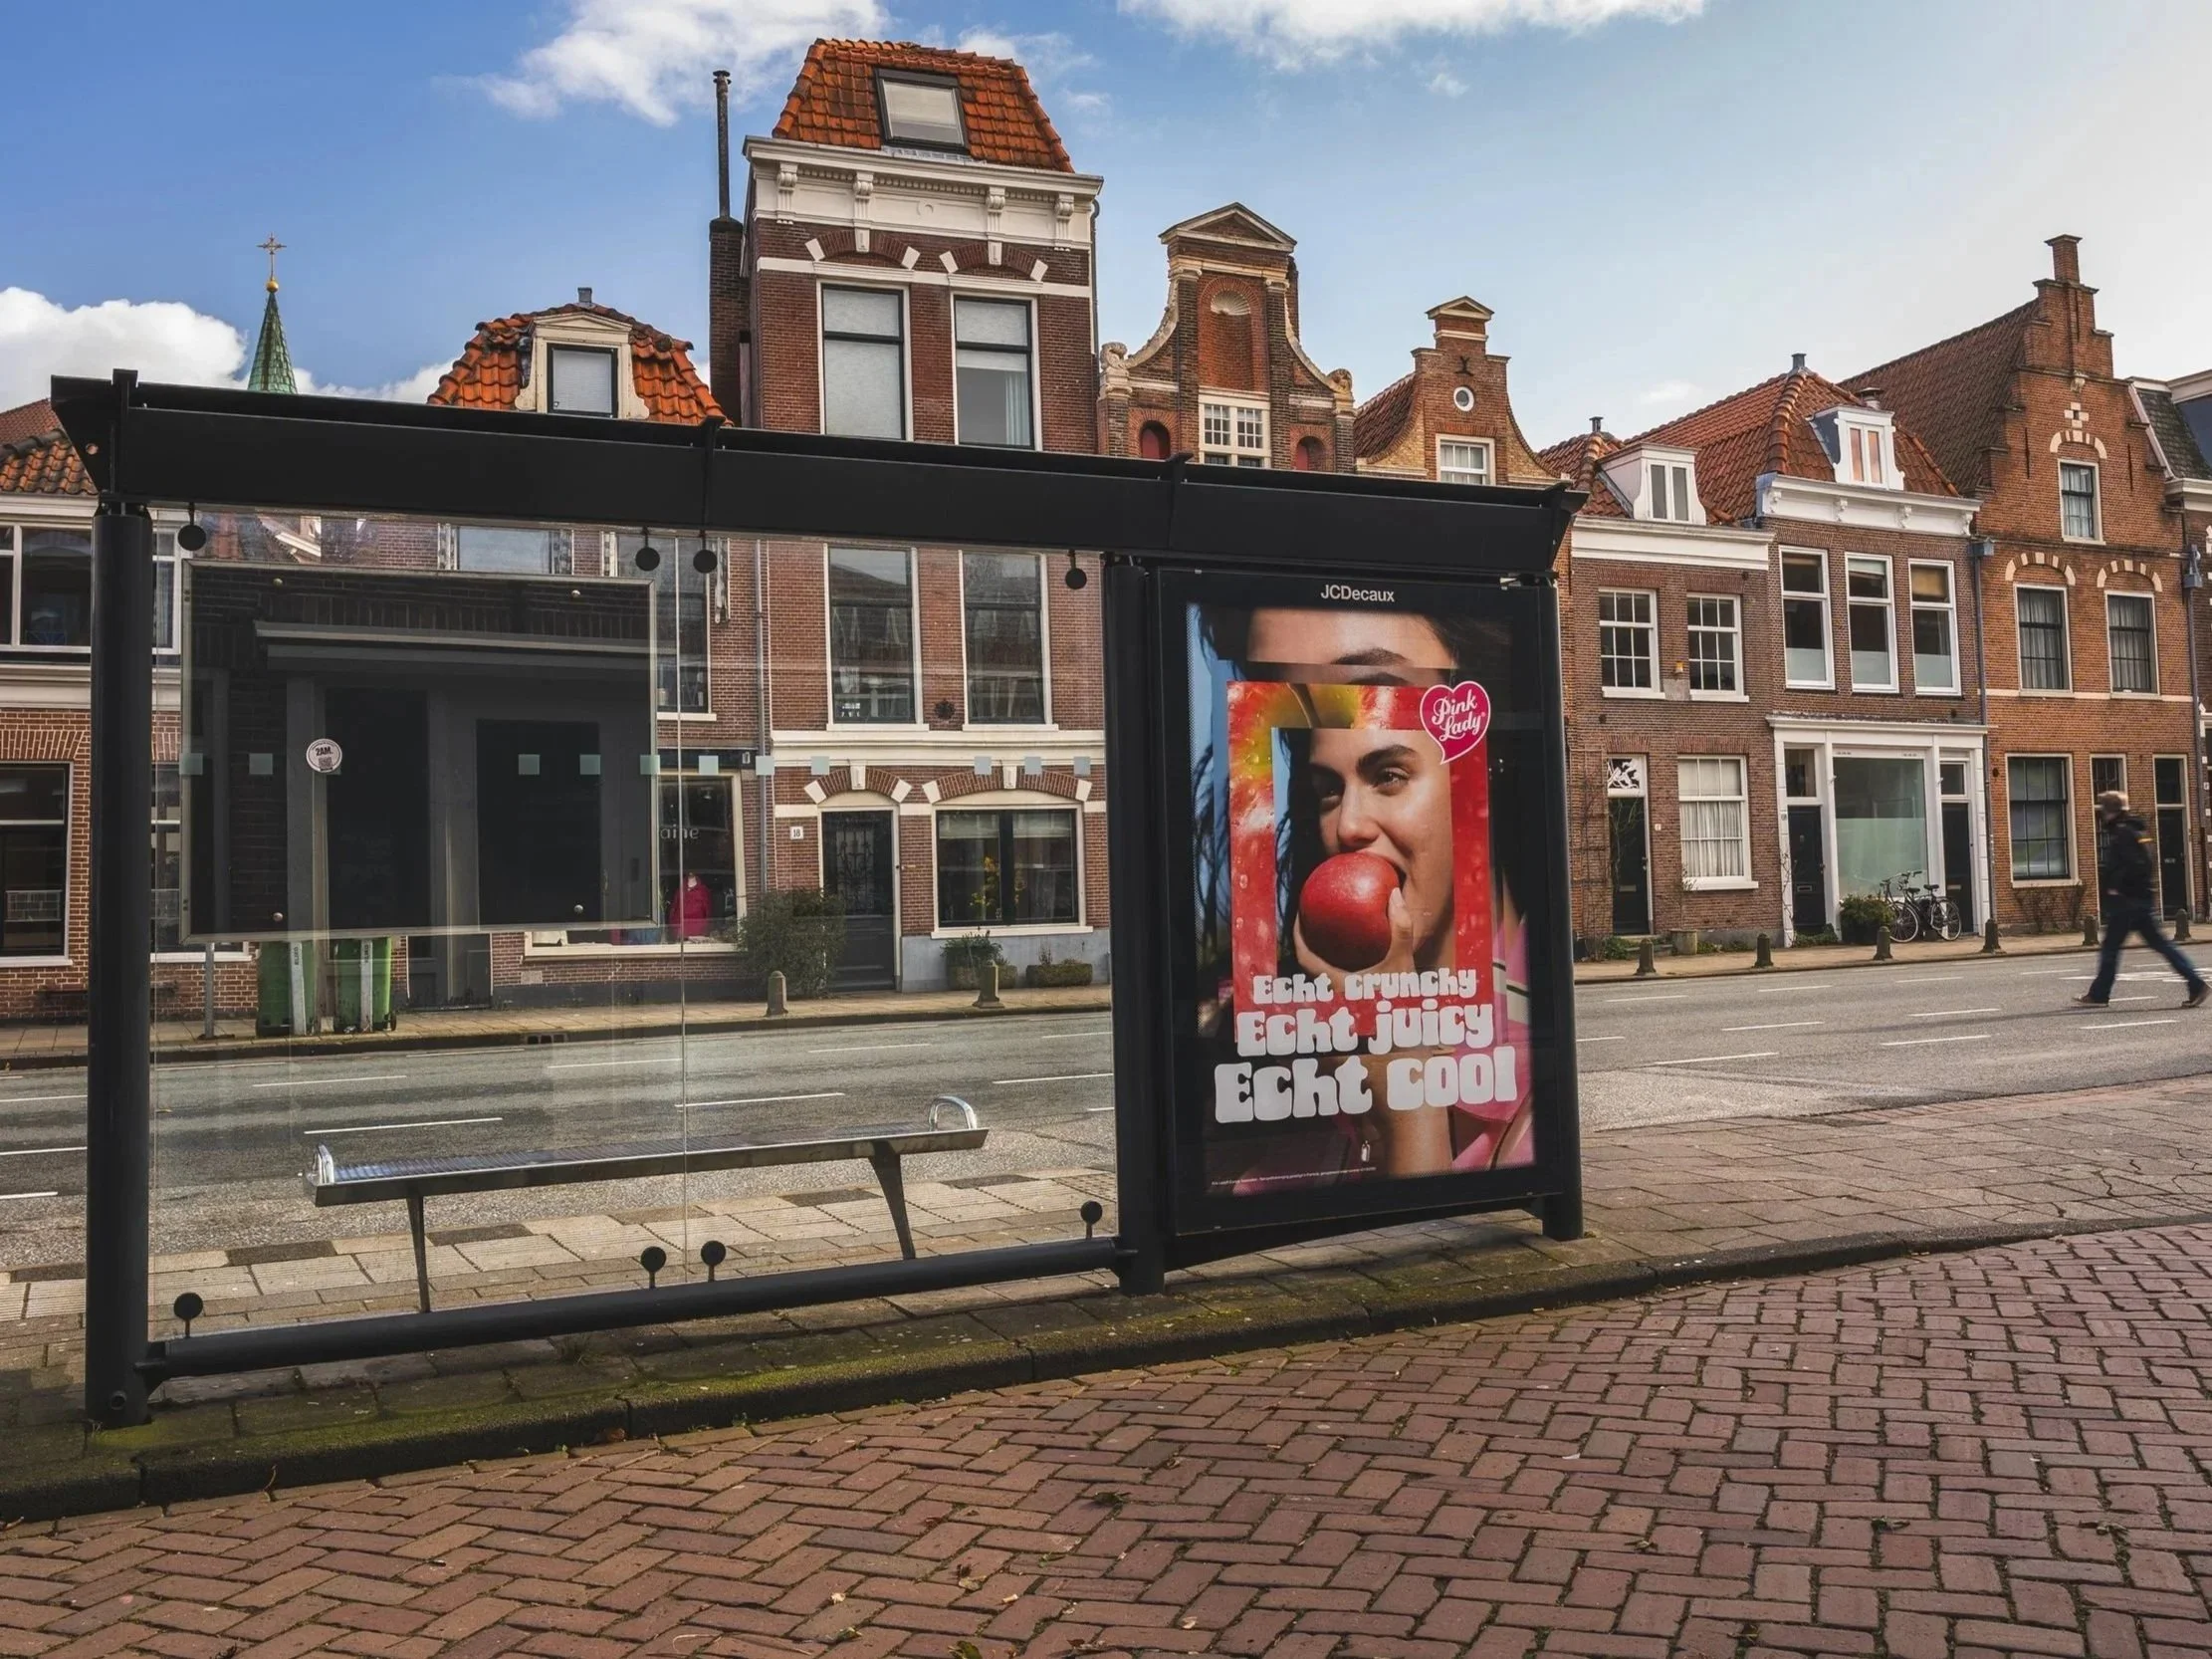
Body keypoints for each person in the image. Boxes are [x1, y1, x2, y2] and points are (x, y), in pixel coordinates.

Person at [2076, 789, 2206, 1009]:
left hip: (2128, 903)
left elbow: (2138, 865)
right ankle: (2195, 983)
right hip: (2139, 901)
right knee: (2161, 946)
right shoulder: (2136, 830)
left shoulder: (2124, 833)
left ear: (2109, 812)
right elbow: (2146, 862)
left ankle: (2099, 995)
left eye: (2103, 811)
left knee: (2111, 948)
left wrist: (2117, 887)